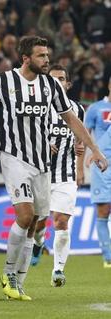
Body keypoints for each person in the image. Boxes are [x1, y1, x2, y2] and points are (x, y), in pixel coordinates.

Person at [0, 35, 108, 301]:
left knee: (35, 226)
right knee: (26, 215)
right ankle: (8, 273)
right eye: (41, 56)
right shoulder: (3, 81)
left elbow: (71, 118)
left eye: (47, 56)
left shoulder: (51, 85)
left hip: (43, 163)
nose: (47, 60)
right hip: (14, 157)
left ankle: (18, 282)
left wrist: (94, 149)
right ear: (26, 58)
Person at [30, 64, 85, 287]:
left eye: (61, 79)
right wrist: (41, 144)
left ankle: (58, 270)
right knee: (37, 221)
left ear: (68, 84)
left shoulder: (77, 109)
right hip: (40, 173)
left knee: (61, 222)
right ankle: (38, 242)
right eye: (53, 79)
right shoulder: (37, 107)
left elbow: (80, 142)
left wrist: (80, 168)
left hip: (66, 174)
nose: (58, 83)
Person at [84, 77, 111, 268]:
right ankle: (108, 257)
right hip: (103, 165)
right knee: (103, 210)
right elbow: (85, 132)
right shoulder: (95, 108)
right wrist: (91, 152)